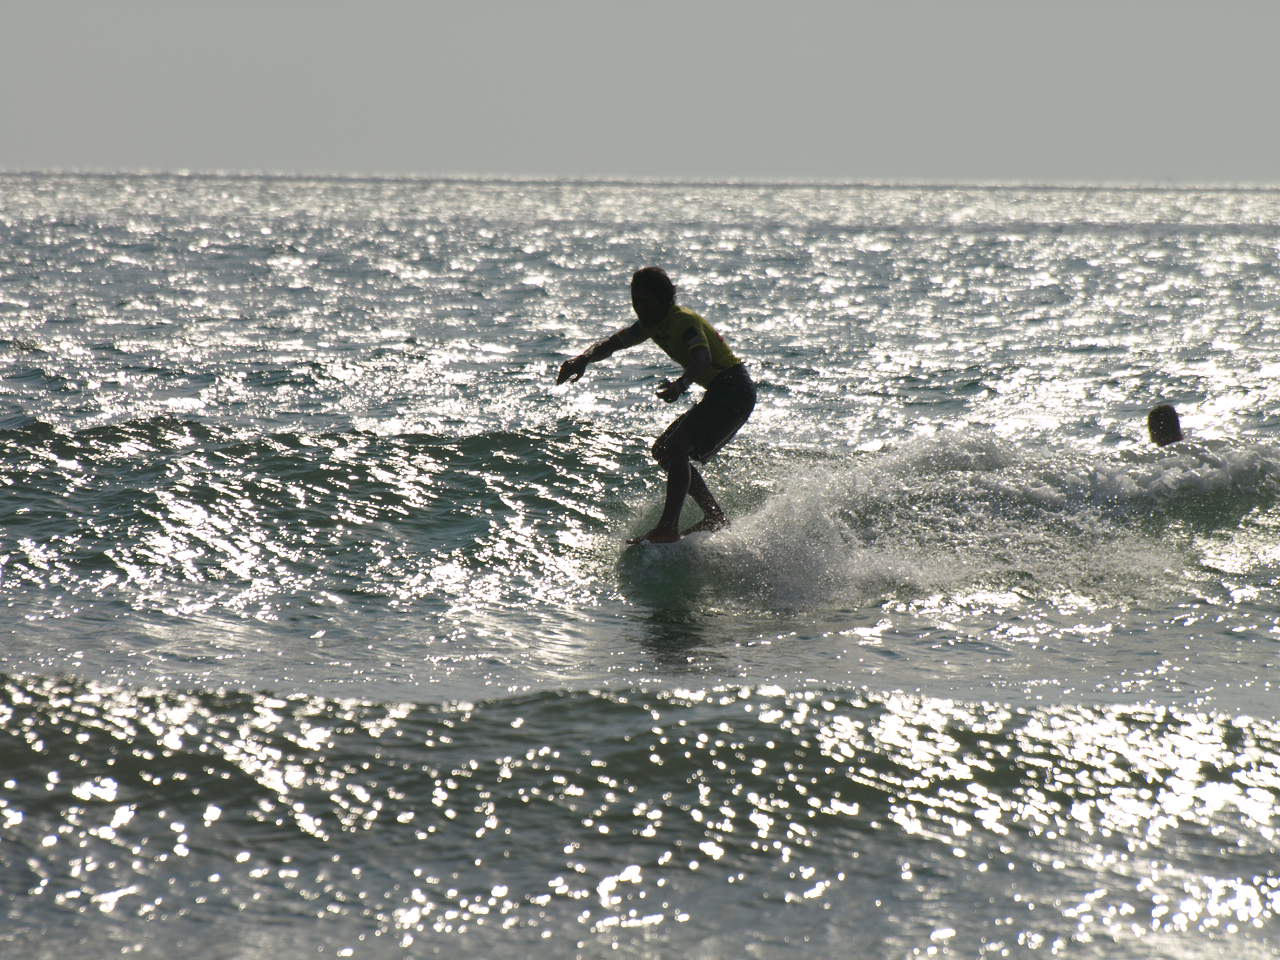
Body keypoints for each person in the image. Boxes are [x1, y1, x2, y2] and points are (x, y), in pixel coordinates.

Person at [556, 266, 756, 543]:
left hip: (734, 390)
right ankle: (713, 517)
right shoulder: (650, 324)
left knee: (676, 447)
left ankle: (668, 527)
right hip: (722, 392)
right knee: (664, 450)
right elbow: (612, 344)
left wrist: (681, 385)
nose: (639, 308)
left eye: (644, 302)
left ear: (663, 299)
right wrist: (583, 359)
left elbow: (702, 358)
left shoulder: (683, 322)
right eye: (635, 302)